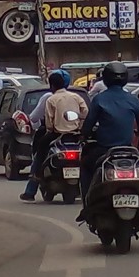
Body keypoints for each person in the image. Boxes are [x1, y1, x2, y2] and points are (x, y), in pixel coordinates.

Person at [77, 61, 139, 221]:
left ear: (105, 78)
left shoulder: (99, 99)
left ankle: (87, 205)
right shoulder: (132, 99)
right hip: (129, 150)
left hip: (103, 150)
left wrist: (83, 136)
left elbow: (88, 124)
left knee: (86, 166)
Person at [21, 70, 87, 202]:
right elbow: (85, 113)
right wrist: (80, 127)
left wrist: (51, 129)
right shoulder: (76, 97)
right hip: (76, 135)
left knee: (39, 155)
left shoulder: (51, 99)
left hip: (56, 135)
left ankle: (31, 190)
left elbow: (49, 122)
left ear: (52, 86)